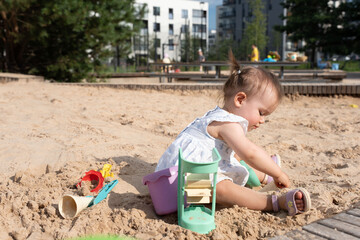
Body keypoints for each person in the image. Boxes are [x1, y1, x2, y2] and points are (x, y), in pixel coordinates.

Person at [156, 50, 311, 215]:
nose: (262, 120)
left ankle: (264, 177)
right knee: (222, 188)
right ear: (240, 100)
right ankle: (273, 202)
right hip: (180, 187)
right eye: (261, 112)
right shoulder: (229, 124)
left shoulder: (217, 115)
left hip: (171, 178)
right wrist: (277, 172)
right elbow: (250, 153)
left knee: (233, 157)